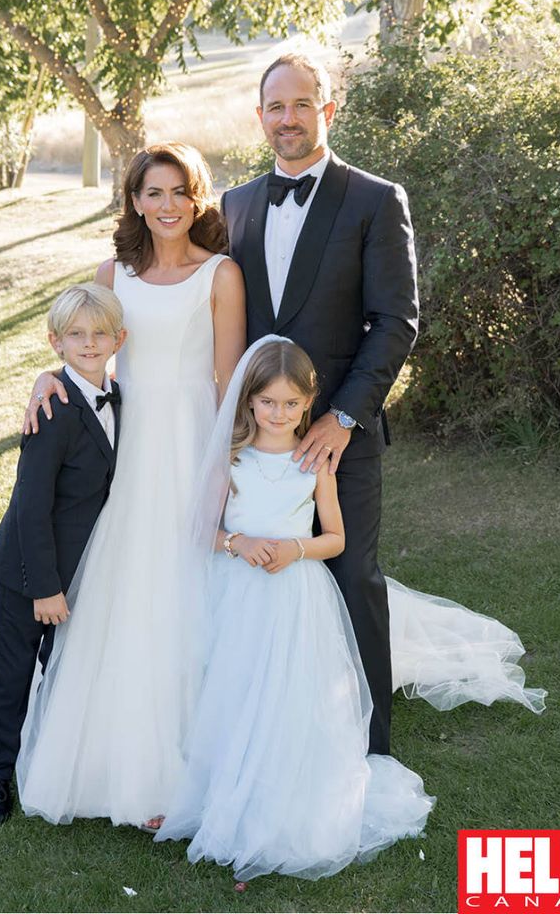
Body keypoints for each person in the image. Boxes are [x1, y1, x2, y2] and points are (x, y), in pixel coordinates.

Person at [14, 143, 246, 828]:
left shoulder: (220, 276)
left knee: (190, 587)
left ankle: (193, 759)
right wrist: (44, 378)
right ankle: (123, 764)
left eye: (179, 191)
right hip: (126, 449)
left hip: (192, 444)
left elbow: (228, 382)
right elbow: (89, 354)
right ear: (134, 201)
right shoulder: (112, 272)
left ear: (196, 197)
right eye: (152, 192)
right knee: (130, 591)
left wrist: (226, 471)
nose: (166, 205)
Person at [155, 337, 435, 881]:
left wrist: (295, 549)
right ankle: (224, 803)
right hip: (237, 595)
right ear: (249, 402)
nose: (278, 414)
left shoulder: (315, 462)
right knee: (236, 692)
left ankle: (277, 816)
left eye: (289, 404)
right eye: (267, 402)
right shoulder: (231, 460)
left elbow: (335, 538)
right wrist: (236, 542)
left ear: (308, 403)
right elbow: (198, 532)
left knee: (287, 697)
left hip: (295, 598)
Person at [221, 52, 419, 755]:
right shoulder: (235, 204)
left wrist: (341, 417)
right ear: (260, 116)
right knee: (256, 581)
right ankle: (271, 725)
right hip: (256, 442)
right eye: (275, 107)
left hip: (339, 436)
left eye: (301, 104)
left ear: (327, 110)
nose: (287, 119)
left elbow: (396, 320)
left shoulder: (373, 199)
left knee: (351, 575)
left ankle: (369, 742)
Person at [0, 282, 126, 823]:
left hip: (85, 566)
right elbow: (30, 506)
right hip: (30, 571)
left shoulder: (120, 398)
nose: (89, 343)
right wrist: (44, 586)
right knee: (14, 672)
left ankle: (50, 757)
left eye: (100, 333)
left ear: (119, 339)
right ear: (55, 342)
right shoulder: (52, 409)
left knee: (61, 668)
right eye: (76, 335)